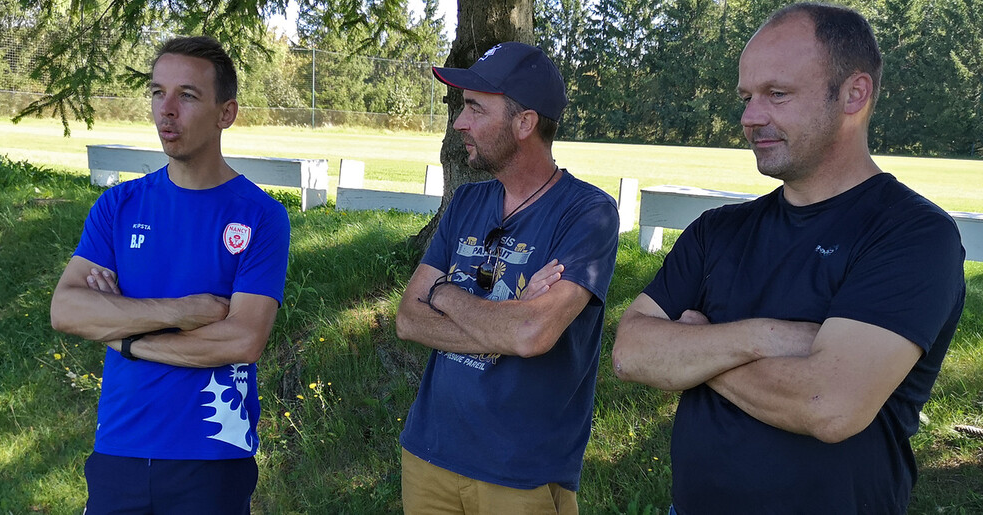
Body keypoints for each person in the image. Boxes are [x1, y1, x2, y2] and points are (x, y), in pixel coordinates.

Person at [612, 4, 965, 514]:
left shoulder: (911, 234)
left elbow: (829, 406)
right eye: (747, 97)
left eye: (777, 94)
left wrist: (694, 351)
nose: (750, 117)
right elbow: (630, 352)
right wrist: (768, 337)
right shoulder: (718, 230)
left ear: (854, 94)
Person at [49, 36, 290, 513]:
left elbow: (240, 340)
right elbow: (67, 308)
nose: (167, 110)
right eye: (158, 93)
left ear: (226, 113)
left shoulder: (260, 216)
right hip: (120, 446)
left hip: (212, 454)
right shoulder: (119, 205)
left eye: (188, 95)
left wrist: (126, 337)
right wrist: (182, 312)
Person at [395, 41, 620, 514]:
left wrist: (444, 292)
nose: (459, 123)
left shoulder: (588, 213)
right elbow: (408, 321)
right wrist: (505, 320)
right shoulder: (466, 202)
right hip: (428, 452)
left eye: (475, 108)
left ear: (524, 123)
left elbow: (532, 333)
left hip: (521, 473)